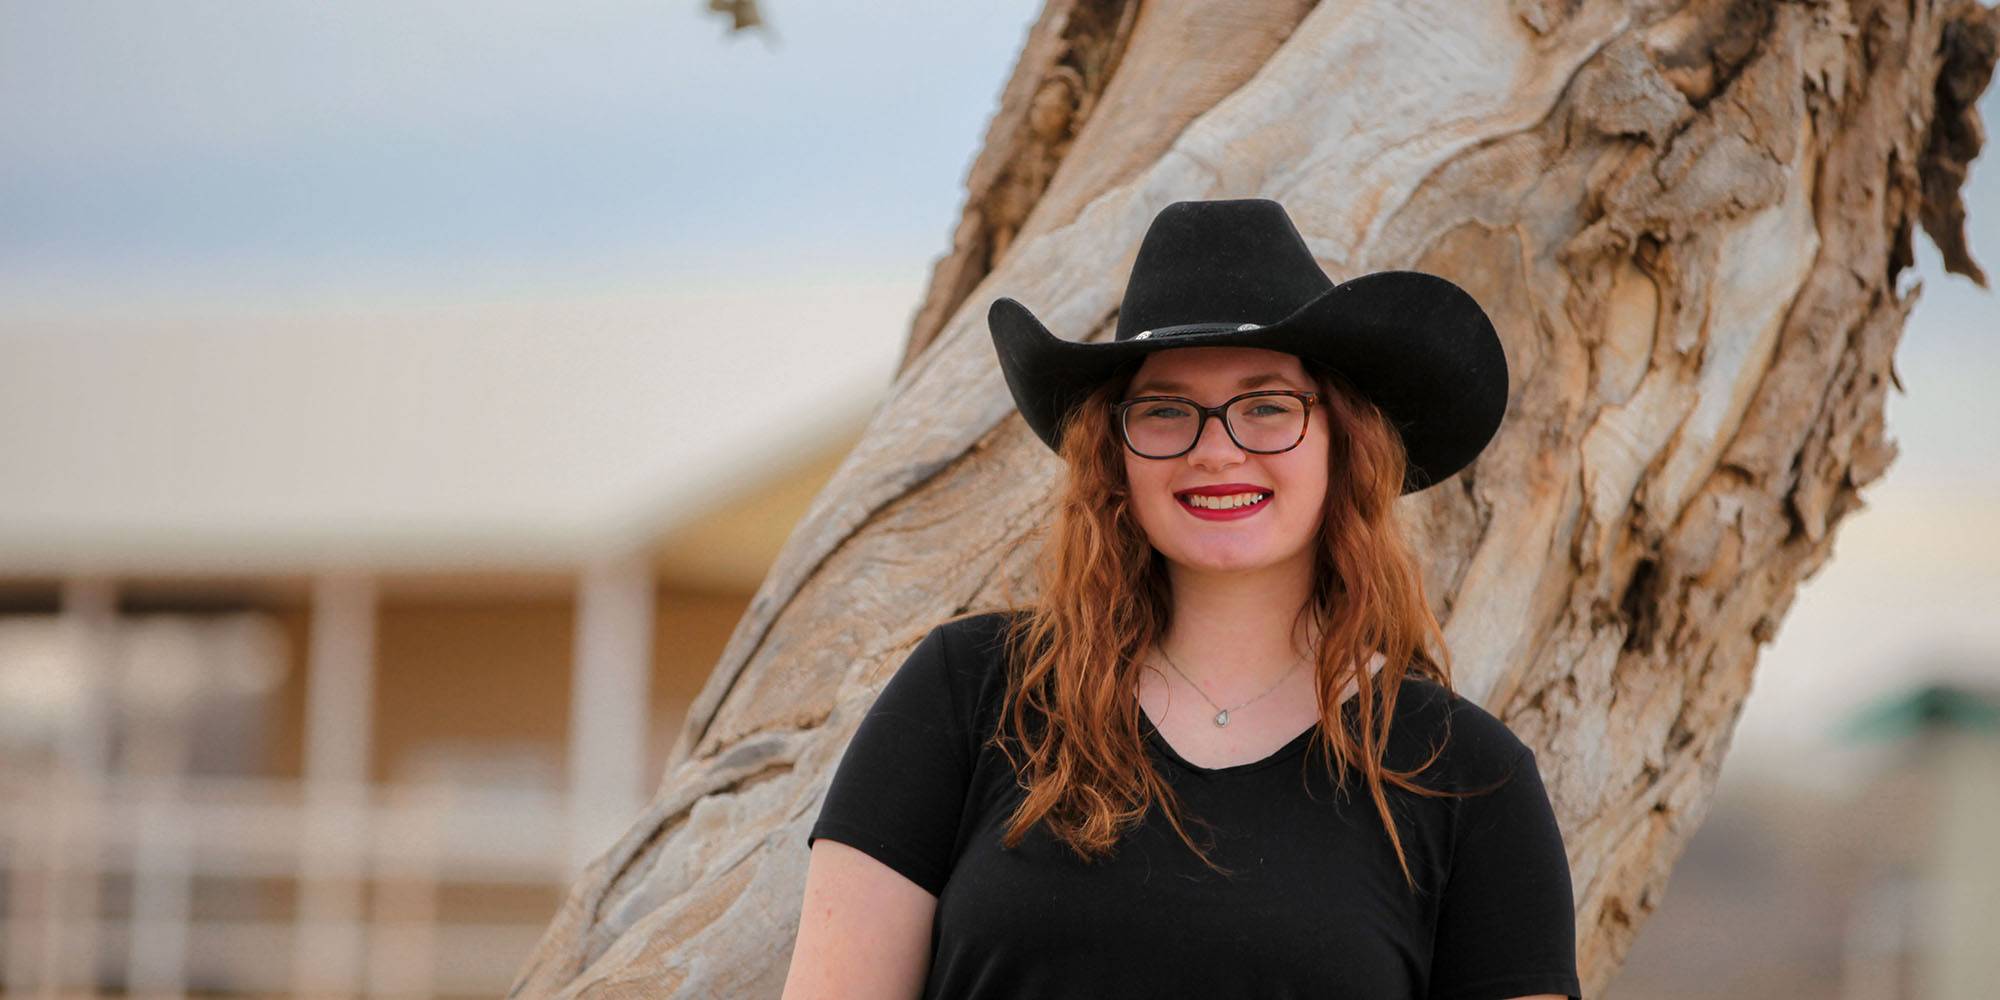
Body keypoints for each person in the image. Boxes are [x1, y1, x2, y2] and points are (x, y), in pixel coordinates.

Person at [783, 198, 1582, 1000]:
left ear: (1345, 443)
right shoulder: (969, 692)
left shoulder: (1467, 778)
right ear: (1114, 455)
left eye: (1267, 406)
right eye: (1166, 411)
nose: (1215, 451)